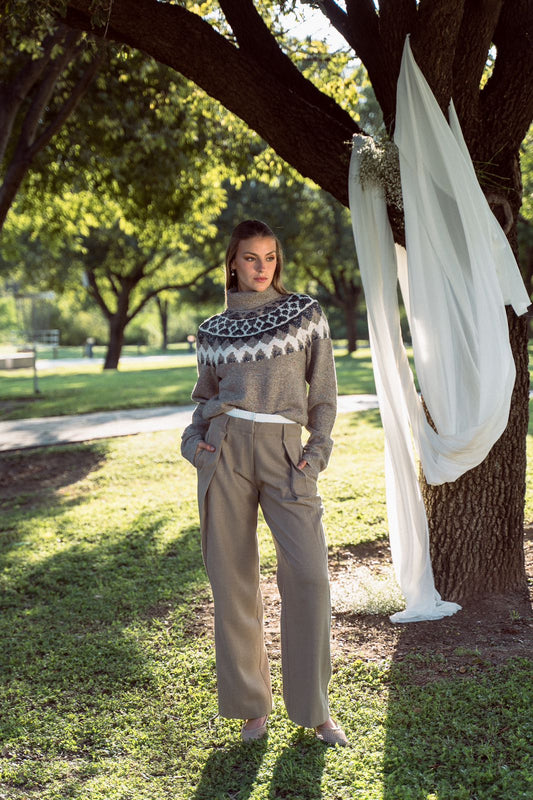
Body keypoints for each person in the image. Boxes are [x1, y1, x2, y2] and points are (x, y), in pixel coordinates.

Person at [181, 219, 348, 746]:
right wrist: (194, 445)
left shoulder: (304, 313)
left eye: (270, 257)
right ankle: (252, 706)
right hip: (224, 449)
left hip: (284, 451)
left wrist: (315, 453)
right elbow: (200, 402)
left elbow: (322, 393)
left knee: (308, 576)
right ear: (233, 261)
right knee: (232, 583)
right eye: (251, 258)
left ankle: (315, 710)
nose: (262, 268)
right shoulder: (212, 330)